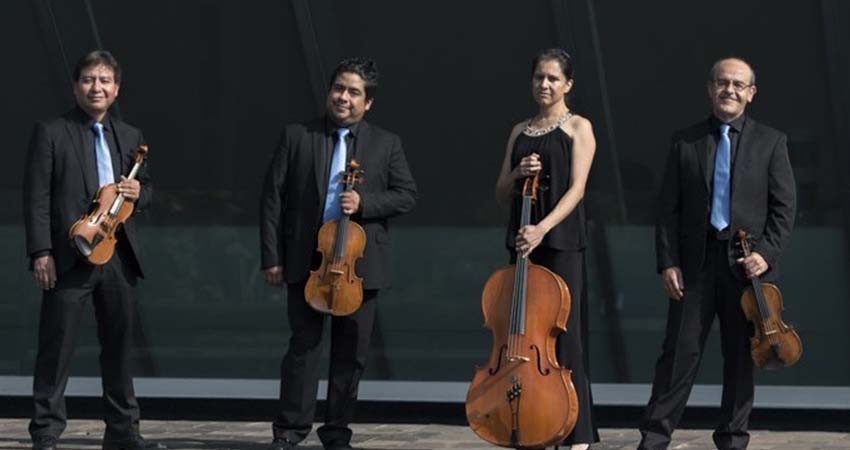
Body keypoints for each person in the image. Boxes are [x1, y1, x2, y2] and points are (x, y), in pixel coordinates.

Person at [638, 57, 796, 450]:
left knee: (742, 360)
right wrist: (667, 261)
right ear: (710, 89)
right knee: (677, 356)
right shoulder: (685, 141)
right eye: (722, 83)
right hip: (694, 267)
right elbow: (667, 209)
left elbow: (784, 207)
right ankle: (654, 440)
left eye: (738, 84)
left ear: (751, 94)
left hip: (747, 271)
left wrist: (767, 253)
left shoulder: (772, 142)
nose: (730, 90)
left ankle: (732, 441)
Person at [259, 57, 417, 450]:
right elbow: (272, 199)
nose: (343, 97)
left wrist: (364, 202)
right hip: (305, 259)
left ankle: (336, 432)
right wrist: (271, 257)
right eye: (339, 89)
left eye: (353, 92)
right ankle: (290, 430)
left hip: (359, 266)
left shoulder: (386, 143)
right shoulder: (297, 136)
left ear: (368, 103)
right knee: (303, 349)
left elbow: (406, 195)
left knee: (351, 355)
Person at [23, 50, 163, 450]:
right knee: (57, 346)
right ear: (75, 86)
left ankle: (123, 431)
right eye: (88, 79)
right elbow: (37, 196)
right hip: (69, 255)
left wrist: (140, 193)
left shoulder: (131, 136)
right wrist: (40, 252)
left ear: (116, 89)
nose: (96, 87)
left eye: (104, 80)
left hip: (117, 256)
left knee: (119, 348)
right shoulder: (51, 131)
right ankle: (47, 431)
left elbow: (147, 191)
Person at [495, 48, 599, 450]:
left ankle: (577, 434)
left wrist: (542, 227)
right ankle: (533, 423)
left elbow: (577, 190)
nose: (545, 84)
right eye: (539, 77)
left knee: (566, 338)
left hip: (560, 241)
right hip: (523, 242)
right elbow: (501, 191)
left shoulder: (579, 127)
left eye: (553, 78)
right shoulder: (519, 130)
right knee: (522, 333)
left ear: (568, 84)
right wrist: (519, 172)